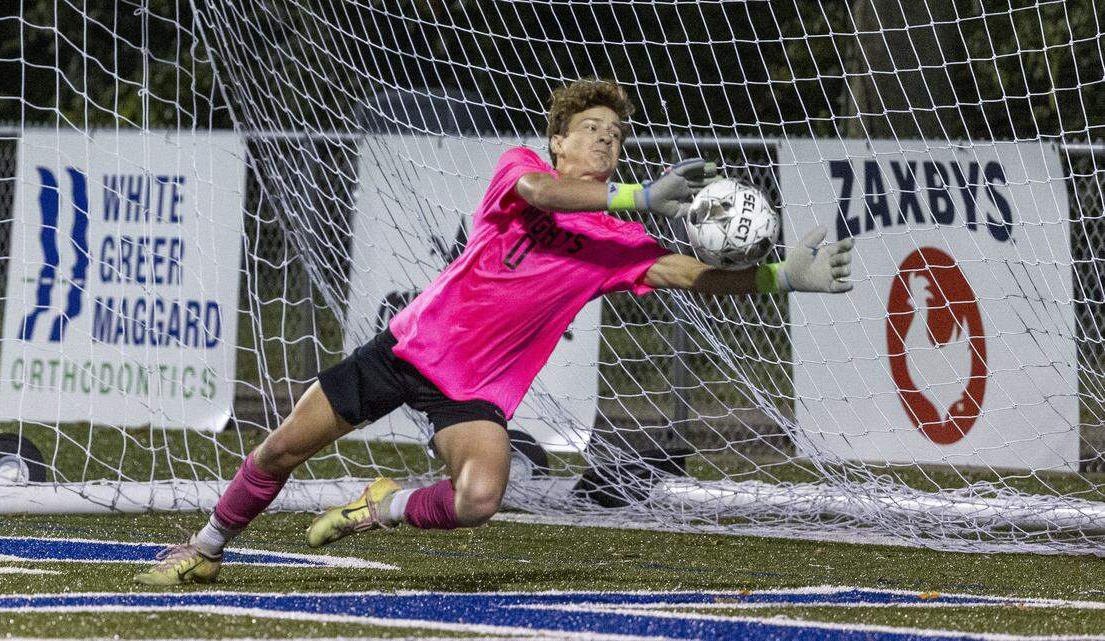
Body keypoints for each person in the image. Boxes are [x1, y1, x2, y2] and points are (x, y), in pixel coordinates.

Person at [135, 78, 854, 585]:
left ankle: (378, 505)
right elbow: (541, 193)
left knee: (479, 497)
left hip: (475, 390)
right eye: (592, 131)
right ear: (558, 141)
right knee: (281, 445)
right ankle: (206, 545)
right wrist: (637, 194)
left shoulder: (615, 239)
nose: (606, 141)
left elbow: (688, 272)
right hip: (407, 349)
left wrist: (781, 278)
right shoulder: (524, 170)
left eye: (617, 135)